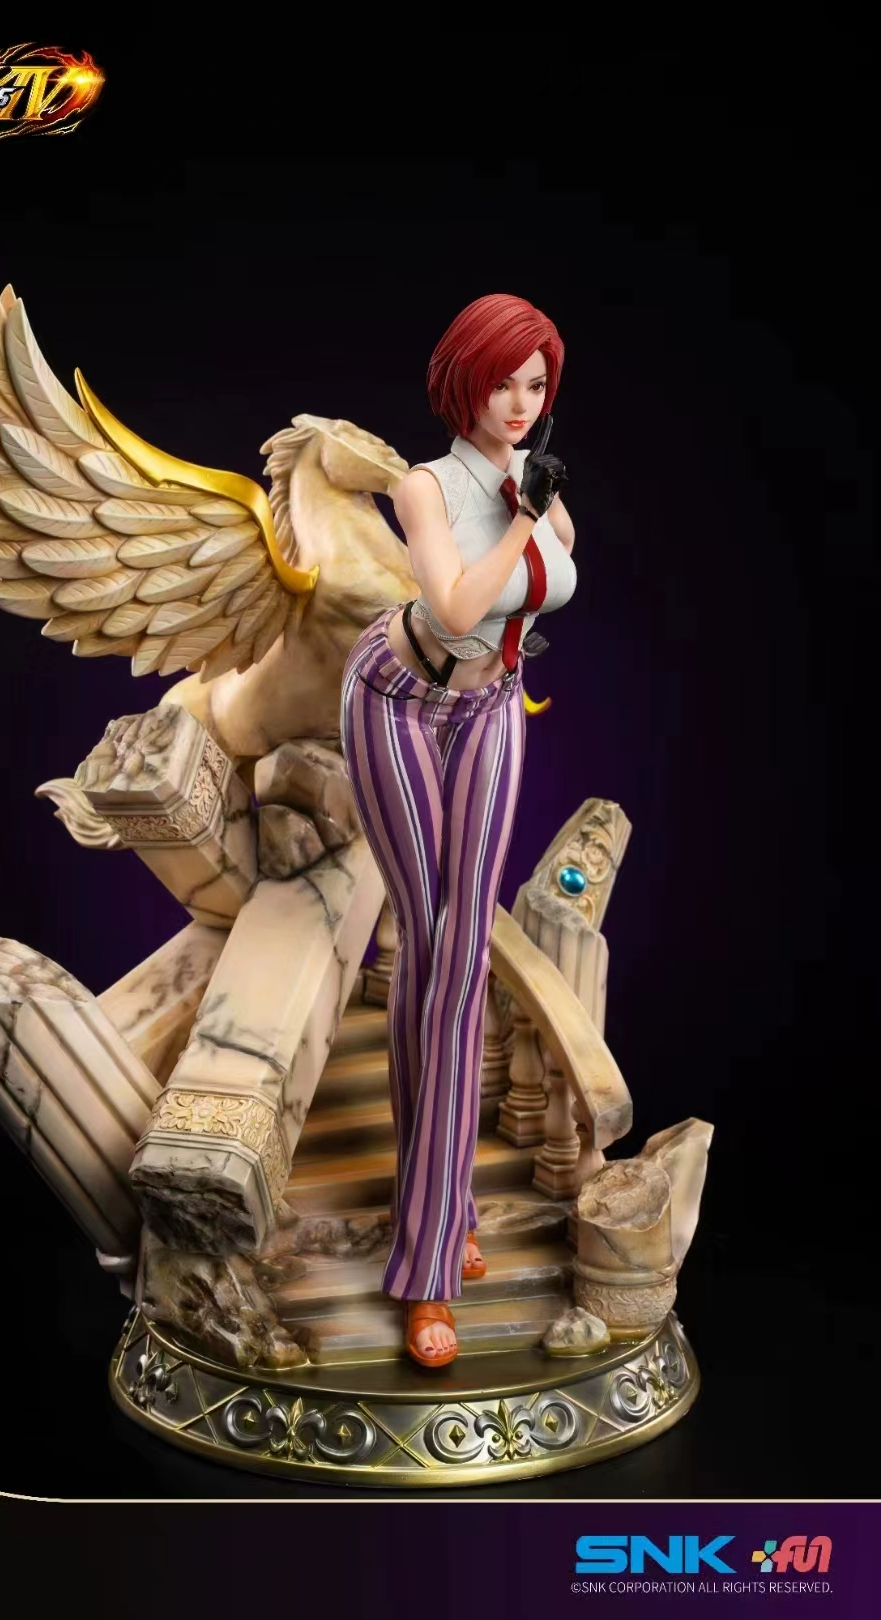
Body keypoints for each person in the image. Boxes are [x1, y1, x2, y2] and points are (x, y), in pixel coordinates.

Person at [338, 293, 577, 1368]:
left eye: (537, 384)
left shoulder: (540, 482)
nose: (519, 403)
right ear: (462, 382)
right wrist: (525, 518)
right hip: (396, 701)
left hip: (491, 709)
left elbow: (548, 587)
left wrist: (539, 511)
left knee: (459, 957)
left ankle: (440, 1214)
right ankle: (430, 1264)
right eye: (502, 381)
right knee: (435, 948)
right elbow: (452, 608)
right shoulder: (425, 487)